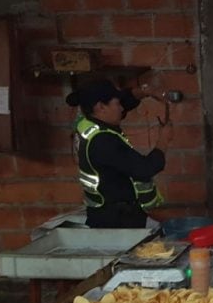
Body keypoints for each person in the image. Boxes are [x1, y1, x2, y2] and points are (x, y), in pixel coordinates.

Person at [66, 79, 170, 228]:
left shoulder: (87, 123)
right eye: (117, 104)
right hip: (117, 221)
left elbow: (124, 102)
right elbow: (145, 168)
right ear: (101, 107)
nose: (122, 109)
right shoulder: (103, 141)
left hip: (103, 215)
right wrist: (164, 139)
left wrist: (144, 92)